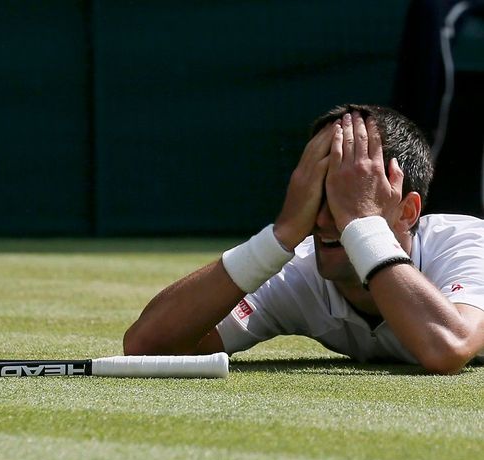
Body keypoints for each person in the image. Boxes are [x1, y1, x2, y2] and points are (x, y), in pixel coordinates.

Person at [123, 104, 484, 374]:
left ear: (408, 211)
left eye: (348, 201)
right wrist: (279, 236)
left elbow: (447, 347)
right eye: (316, 196)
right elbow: (147, 346)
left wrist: (363, 224)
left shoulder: (466, 243)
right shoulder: (298, 271)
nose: (324, 220)